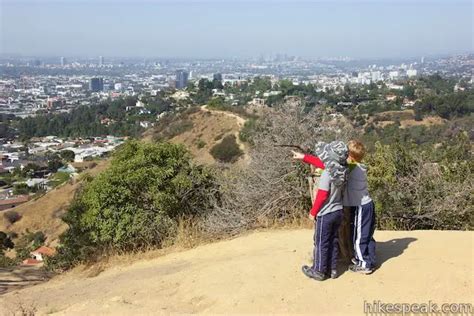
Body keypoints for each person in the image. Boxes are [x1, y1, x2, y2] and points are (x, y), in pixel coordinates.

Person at [292, 141, 349, 281]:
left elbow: (322, 195)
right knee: (333, 240)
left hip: (325, 213)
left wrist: (313, 212)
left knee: (320, 242)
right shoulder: (343, 169)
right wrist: (303, 157)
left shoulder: (327, 174)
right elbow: (321, 163)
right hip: (338, 211)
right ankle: (332, 269)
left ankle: (318, 270)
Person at [344, 140, 376, 274]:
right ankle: (370, 259)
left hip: (361, 206)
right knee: (367, 235)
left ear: (350, 156)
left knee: (359, 237)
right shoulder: (360, 166)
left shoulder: (351, 167)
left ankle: (363, 264)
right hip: (367, 204)